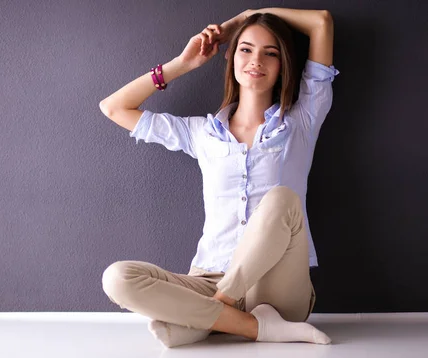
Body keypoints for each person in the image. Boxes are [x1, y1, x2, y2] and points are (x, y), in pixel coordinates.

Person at [98, 7, 339, 349]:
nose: (256, 60)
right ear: (230, 57)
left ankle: (210, 316)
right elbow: (113, 108)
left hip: (278, 285)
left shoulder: (302, 121)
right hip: (209, 276)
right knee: (118, 278)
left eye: (270, 53)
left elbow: (321, 22)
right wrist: (185, 63)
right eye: (246, 49)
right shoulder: (202, 134)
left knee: (282, 199)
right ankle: (250, 327)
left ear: (283, 65)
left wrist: (246, 16)